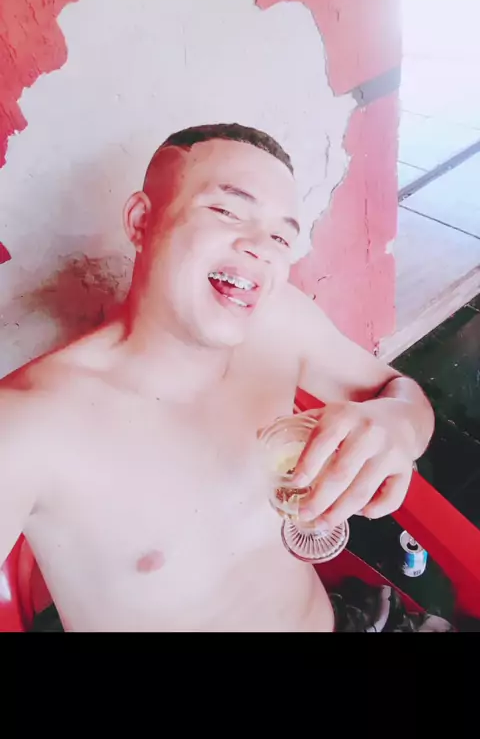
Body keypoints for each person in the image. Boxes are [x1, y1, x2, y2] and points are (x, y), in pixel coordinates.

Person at [0, 123, 434, 632]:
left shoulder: (278, 321)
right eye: (227, 211)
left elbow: (401, 393)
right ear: (141, 221)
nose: (261, 248)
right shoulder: (28, 426)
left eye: (281, 237)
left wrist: (397, 425)